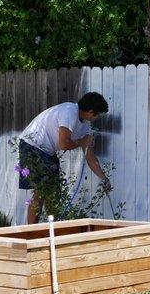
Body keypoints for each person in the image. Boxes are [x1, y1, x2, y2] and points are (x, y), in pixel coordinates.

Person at [18, 92, 111, 224]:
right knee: (41, 191)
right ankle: (31, 233)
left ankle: (53, 231)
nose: (97, 117)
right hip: (32, 145)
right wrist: (80, 142)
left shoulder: (85, 125)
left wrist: (103, 178)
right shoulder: (69, 113)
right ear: (91, 112)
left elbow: (89, 156)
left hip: (47, 151)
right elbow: (63, 144)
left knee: (54, 194)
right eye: (98, 114)